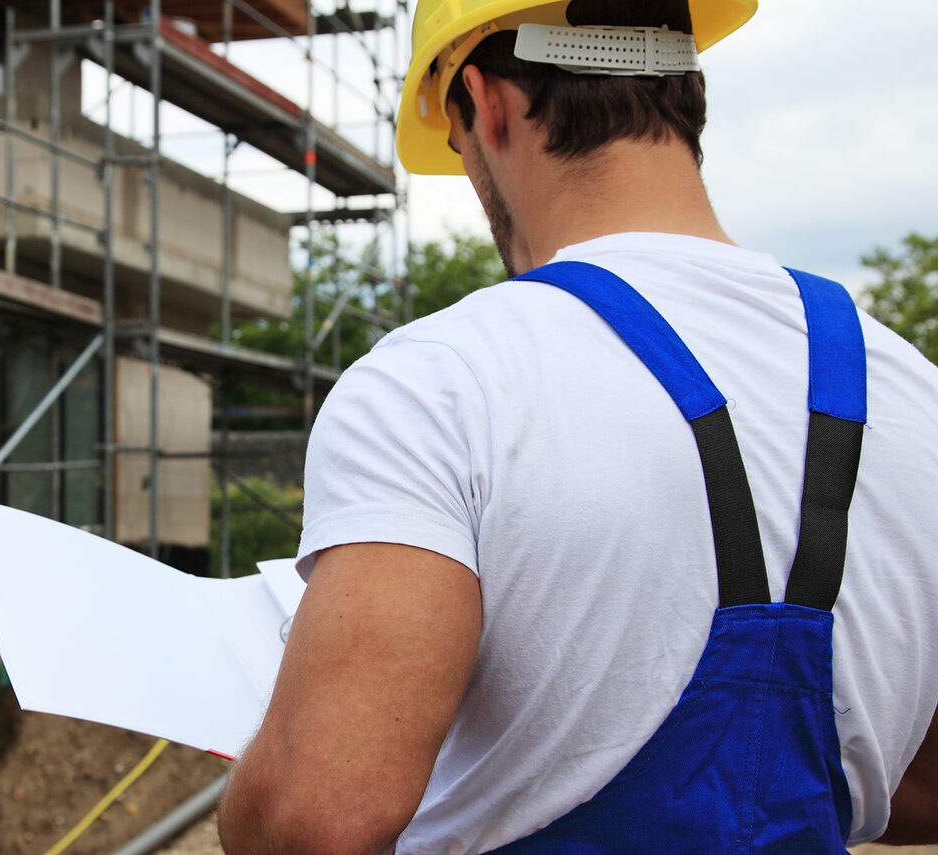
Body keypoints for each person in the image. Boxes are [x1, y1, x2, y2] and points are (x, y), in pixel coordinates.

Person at [215, 0, 938, 852]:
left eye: (457, 147)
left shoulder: (443, 382)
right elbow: (921, 786)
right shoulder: (914, 392)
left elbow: (319, 817)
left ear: (483, 104)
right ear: (687, 84)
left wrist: (285, 738)